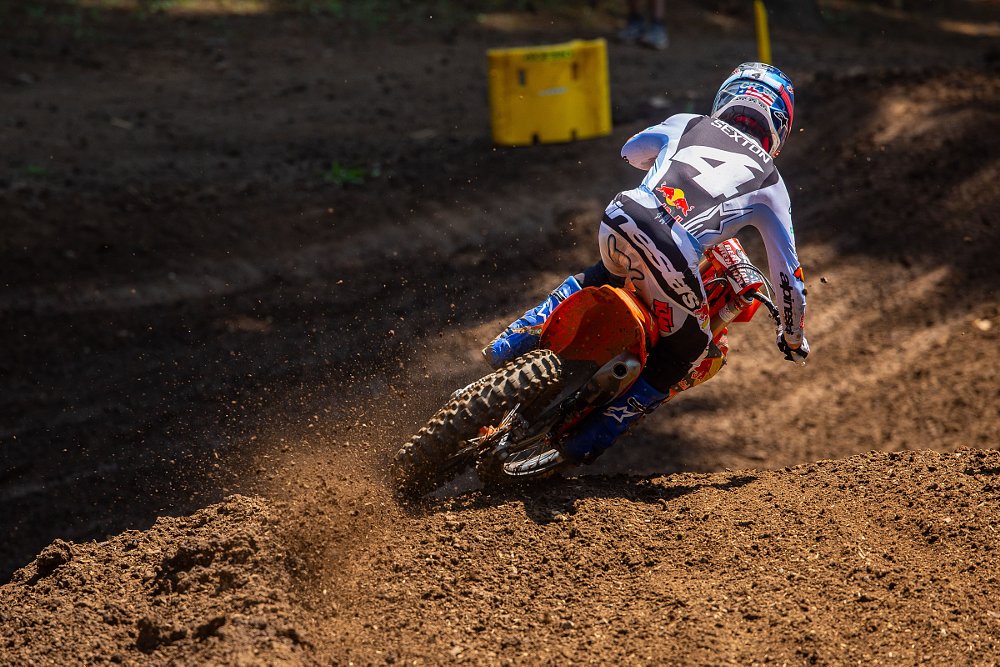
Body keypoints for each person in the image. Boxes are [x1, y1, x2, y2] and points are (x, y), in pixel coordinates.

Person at [484, 62, 809, 466]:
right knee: (686, 351)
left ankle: (510, 341)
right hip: (674, 252)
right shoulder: (770, 181)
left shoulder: (688, 123)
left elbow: (631, 152)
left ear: (725, 99)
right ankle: (589, 441)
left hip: (621, 215)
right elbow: (788, 280)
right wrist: (792, 337)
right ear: (779, 127)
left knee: (600, 275)